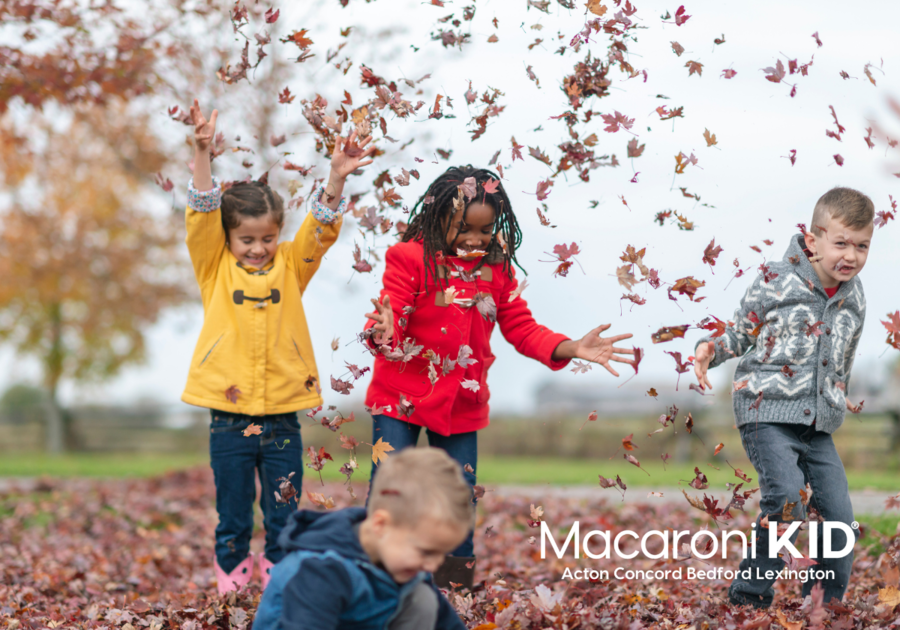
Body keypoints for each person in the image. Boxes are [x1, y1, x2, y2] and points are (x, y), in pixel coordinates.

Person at [362, 165, 635, 589]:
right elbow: (392, 310)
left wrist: (573, 347)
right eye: (463, 229)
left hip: (461, 405)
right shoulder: (411, 258)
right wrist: (382, 329)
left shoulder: (497, 270)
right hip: (400, 397)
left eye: (485, 230)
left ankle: (455, 587)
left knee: (459, 495)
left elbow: (522, 329)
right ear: (439, 220)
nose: (475, 239)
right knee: (388, 489)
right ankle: (374, 581)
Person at [182, 100, 375, 593]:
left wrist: (335, 178)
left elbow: (320, 231)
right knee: (232, 512)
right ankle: (231, 584)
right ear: (227, 238)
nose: (257, 248)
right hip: (228, 416)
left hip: (283, 415)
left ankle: (280, 582)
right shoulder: (213, 266)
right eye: (246, 238)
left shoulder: (291, 267)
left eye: (267, 238)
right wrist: (202, 153)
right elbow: (203, 212)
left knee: (284, 511)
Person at [693, 187, 874, 608]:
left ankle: (826, 603)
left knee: (840, 519)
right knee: (788, 500)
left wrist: (838, 389)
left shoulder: (855, 295)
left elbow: (842, 352)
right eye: (841, 243)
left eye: (862, 246)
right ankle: (749, 596)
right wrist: (711, 349)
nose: (851, 255)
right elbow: (741, 332)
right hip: (765, 410)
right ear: (813, 241)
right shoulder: (777, 279)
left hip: (818, 424)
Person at [252, 448, 471, 630]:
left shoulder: (401, 561)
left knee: (422, 599)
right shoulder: (322, 568)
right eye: (426, 552)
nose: (434, 565)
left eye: (442, 553)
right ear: (380, 525)